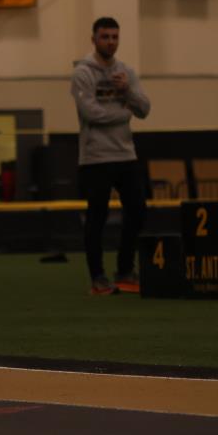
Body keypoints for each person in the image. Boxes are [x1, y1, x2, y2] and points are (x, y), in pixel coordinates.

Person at [70, 17, 151, 295]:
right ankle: (98, 278)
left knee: (137, 211)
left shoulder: (126, 72)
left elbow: (144, 109)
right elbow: (91, 113)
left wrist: (127, 91)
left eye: (115, 37)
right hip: (95, 157)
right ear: (93, 39)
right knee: (97, 217)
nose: (110, 42)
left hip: (125, 154)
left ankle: (125, 270)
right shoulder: (83, 73)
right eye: (105, 37)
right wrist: (124, 113)